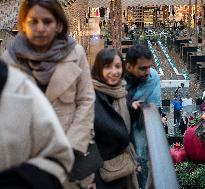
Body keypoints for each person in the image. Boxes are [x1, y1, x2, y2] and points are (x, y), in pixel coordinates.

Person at [1, 0, 95, 185]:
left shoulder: (75, 54)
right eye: (33, 21)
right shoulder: (9, 59)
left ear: (58, 24)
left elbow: (86, 99)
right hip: (25, 161)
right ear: (23, 24)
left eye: (47, 21)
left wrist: (72, 146)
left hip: (71, 154)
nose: (40, 28)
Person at [0, 60, 74, 188]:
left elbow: (86, 100)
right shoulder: (12, 57)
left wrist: (75, 143)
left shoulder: (17, 84)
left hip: (62, 133)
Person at [91, 48, 138, 189]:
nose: (114, 72)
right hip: (103, 173)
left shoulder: (121, 92)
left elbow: (120, 116)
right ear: (99, 69)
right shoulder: (91, 97)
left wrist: (132, 107)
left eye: (117, 66)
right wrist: (89, 175)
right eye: (107, 67)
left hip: (122, 167)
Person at [125, 44, 161, 189]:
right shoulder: (117, 78)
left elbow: (153, 107)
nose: (148, 72)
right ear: (129, 67)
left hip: (140, 131)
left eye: (149, 67)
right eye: (142, 68)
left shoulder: (153, 78)